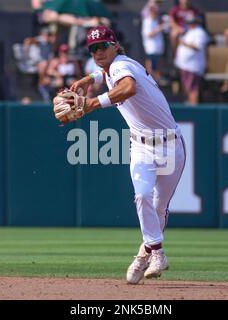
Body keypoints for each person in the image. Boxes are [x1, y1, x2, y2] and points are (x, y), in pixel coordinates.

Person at [69, 26, 186, 285]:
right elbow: (106, 73)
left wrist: (90, 104)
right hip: (141, 146)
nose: (98, 52)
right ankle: (158, 252)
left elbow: (128, 88)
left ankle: (143, 255)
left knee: (159, 207)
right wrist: (89, 78)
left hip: (170, 146)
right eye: (93, 49)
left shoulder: (122, 66)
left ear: (115, 45)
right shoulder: (114, 67)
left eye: (103, 46)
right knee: (142, 195)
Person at [174, 15, 209, 105]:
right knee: (187, 89)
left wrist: (184, 43)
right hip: (185, 66)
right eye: (188, 22)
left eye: (191, 22)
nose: (188, 24)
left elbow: (197, 47)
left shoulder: (200, 33)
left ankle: (194, 110)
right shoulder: (190, 32)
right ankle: (190, 106)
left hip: (193, 67)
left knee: (193, 89)